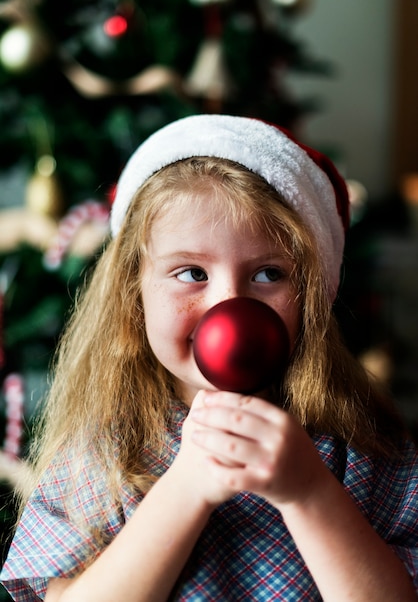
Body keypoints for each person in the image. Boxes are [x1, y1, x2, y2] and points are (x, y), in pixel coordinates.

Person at [1, 115, 417, 601]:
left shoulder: (360, 446)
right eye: (191, 272)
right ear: (134, 298)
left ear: (312, 298)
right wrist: (187, 487)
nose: (228, 306)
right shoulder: (106, 454)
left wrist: (309, 491)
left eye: (267, 274)